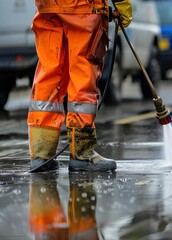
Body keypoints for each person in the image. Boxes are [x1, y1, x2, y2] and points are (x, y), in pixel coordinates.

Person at [28, 0, 132, 172]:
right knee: (83, 76)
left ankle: (41, 154)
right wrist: (122, 4)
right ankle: (82, 153)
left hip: (48, 7)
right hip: (83, 8)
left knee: (49, 74)